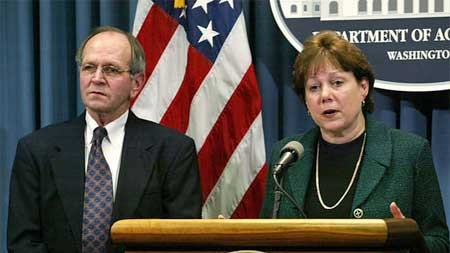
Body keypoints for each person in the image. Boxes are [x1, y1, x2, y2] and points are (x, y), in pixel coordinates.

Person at [7, 26, 202, 253]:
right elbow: (23, 243)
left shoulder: (173, 151)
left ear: (136, 84)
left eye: (111, 70)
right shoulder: (36, 149)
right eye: (89, 67)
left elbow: (181, 243)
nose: (97, 78)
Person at [260, 30, 449, 252]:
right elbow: (267, 236)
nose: (325, 95)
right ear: (306, 101)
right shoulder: (287, 156)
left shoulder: (409, 153)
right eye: (314, 87)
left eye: (337, 82)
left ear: (363, 88)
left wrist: (412, 240)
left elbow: (440, 241)